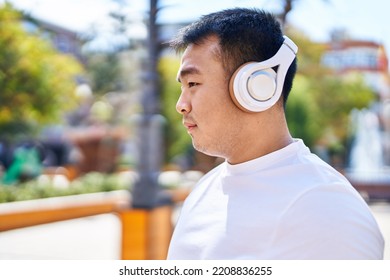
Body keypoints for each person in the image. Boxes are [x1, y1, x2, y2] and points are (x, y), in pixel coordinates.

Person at [166, 8, 384, 260]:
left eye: (192, 84)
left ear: (256, 86)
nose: (180, 104)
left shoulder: (327, 209)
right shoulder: (204, 189)